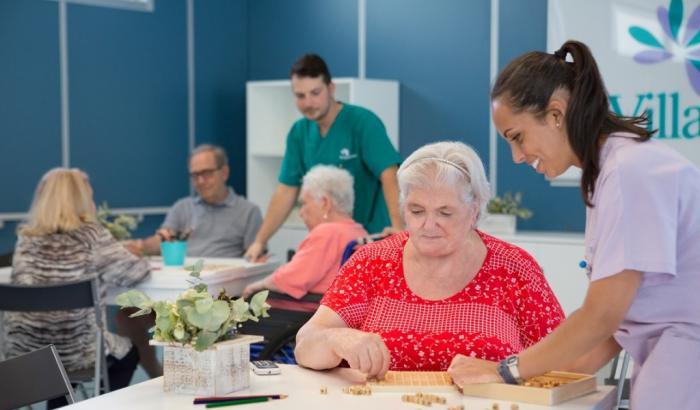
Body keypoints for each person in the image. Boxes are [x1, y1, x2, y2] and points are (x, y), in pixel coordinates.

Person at [448, 40, 700, 409]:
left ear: (555, 113)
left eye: (517, 137)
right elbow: (619, 322)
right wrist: (539, 381)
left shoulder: (629, 171)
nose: (517, 157)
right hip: (667, 353)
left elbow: (601, 316)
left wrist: (507, 371)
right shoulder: (609, 172)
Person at [294, 141, 564, 378]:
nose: (428, 225)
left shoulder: (514, 268)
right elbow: (306, 345)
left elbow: (563, 360)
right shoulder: (371, 262)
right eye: (417, 210)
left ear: (474, 210)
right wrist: (337, 338)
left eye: (445, 213)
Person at [3, 168, 152, 408]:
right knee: (128, 352)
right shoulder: (91, 235)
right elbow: (137, 272)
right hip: (78, 354)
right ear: (81, 199)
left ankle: (61, 404)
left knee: (56, 341)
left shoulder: (26, 239)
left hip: (25, 355)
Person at [245, 54, 402, 261]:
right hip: (328, 243)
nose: (308, 102)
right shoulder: (298, 133)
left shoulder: (362, 122)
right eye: (300, 96)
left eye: (315, 93)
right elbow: (286, 190)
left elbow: (389, 173)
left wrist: (399, 228)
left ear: (331, 88)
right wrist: (260, 241)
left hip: (371, 238)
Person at [241, 165, 367, 300]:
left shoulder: (327, 232)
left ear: (325, 203)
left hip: (308, 313)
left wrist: (257, 285)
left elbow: (291, 279)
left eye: (304, 203)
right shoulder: (360, 232)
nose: (301, 213)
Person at [129, 144, 262, 258]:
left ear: (224, 173)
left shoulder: (249, 212)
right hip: (181, 279)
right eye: (195, 175)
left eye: (207, 173)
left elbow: (255, 260)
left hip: (225, 282)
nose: (200, 181)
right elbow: (162, 241)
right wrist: (141, 246)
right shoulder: (182, 207)